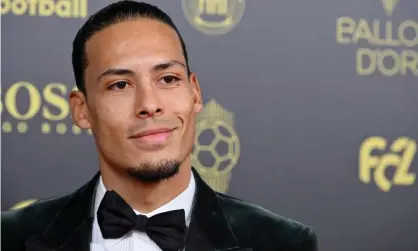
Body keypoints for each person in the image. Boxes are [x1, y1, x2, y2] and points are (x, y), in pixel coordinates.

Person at [1, 1, 318, 251]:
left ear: (194, 93)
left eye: (168, 79)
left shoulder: (283, 242)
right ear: (81, 110)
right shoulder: (11, 237)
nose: (149, 104)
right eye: (120, 85)